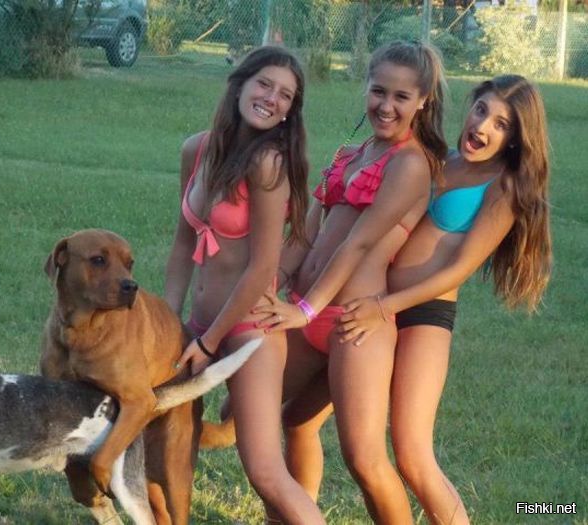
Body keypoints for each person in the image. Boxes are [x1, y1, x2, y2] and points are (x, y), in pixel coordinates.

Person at [282, 74, 552, 525]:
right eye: (481, 110)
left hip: (422, 316)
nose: (482, 126)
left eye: (501, 124)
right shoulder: (437, 160)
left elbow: (458, 269)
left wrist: (384, 307)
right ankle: (297, 514)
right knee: (298, 420)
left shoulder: (502, 186)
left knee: (412, 455)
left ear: (515, 138)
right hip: (373, 304)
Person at [252, 40, 447, 524]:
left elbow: (358, 244)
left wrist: (306, 310)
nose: (386, 105)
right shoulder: (352, 153)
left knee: (364, 458)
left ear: (423, 100)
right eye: (378, 91)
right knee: (279, 417)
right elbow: (307, 233)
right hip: (305, 306)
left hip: (354, 322)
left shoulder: (411, 164)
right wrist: (273, 281)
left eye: (401, 97)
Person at [163, 46, 325, 524]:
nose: (272, 99)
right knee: (169, 447)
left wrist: (209, 343)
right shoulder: (196, 150)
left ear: (290, 112)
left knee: (265, 471)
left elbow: (262, 268)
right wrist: (168, 321)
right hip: (198, 326)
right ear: (240, 84)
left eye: (286, 95)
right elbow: (182, 245)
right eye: (265, 84)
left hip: (247, 331)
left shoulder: (268, 163)